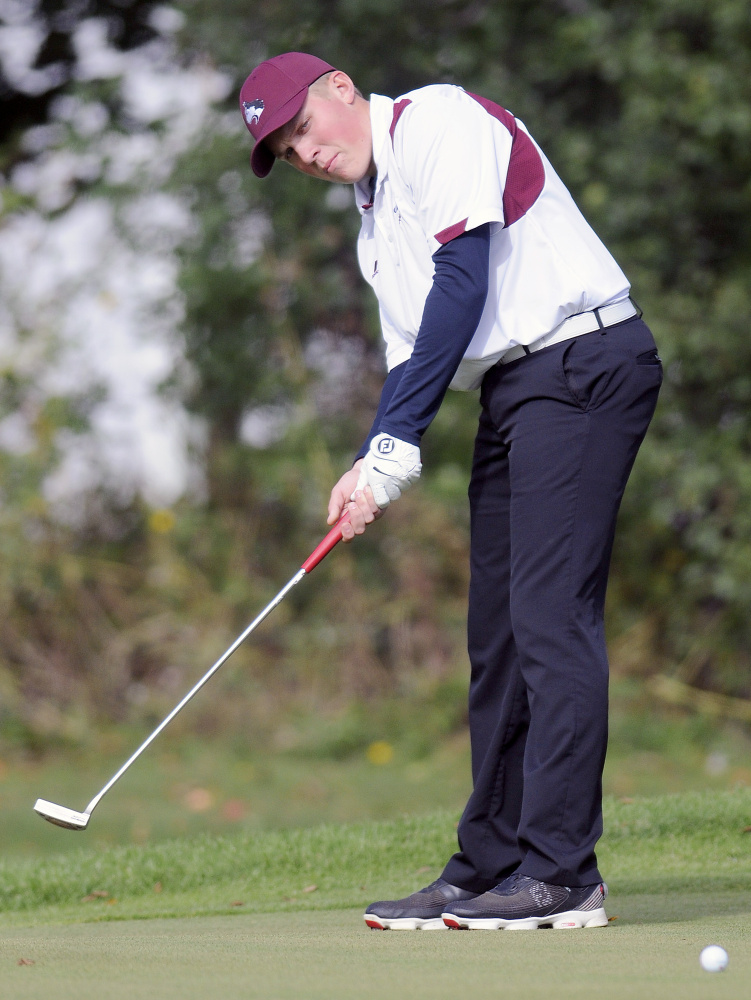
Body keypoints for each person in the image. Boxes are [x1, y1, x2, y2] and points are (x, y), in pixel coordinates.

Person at [238, 51, 662, 931]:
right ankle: (489, 864)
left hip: (582, 361)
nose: (303, 153)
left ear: (342, 91)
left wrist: (395, 447)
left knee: (550, 620)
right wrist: (369, 466)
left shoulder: (436, 122)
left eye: (302, 128)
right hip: (517, 391)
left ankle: (562, 876)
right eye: (284, 151)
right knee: (497, 638)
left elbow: (464, 281)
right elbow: (412, 357)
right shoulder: (373, 225)